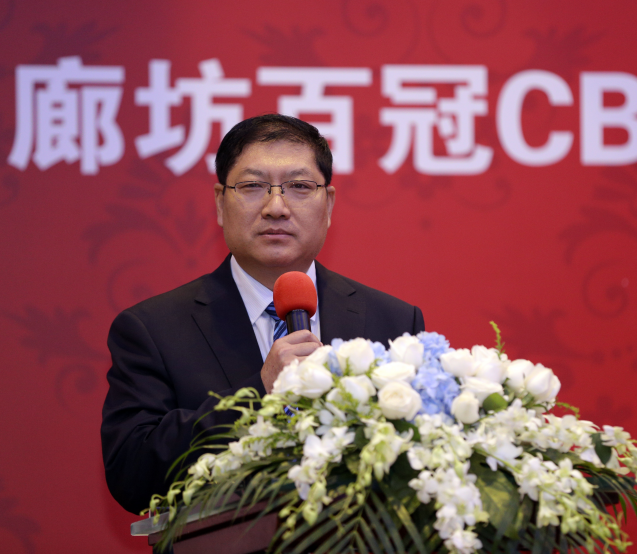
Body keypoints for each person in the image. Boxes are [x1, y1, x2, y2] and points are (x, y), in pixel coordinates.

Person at [101, 114, 425, 515]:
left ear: (328, 205)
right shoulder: (153, 329)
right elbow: (132, 473)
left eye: (300, 186)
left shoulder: (394, 322)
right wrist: (259, 392)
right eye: (253, 186)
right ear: (220, 203)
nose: (276, 207)